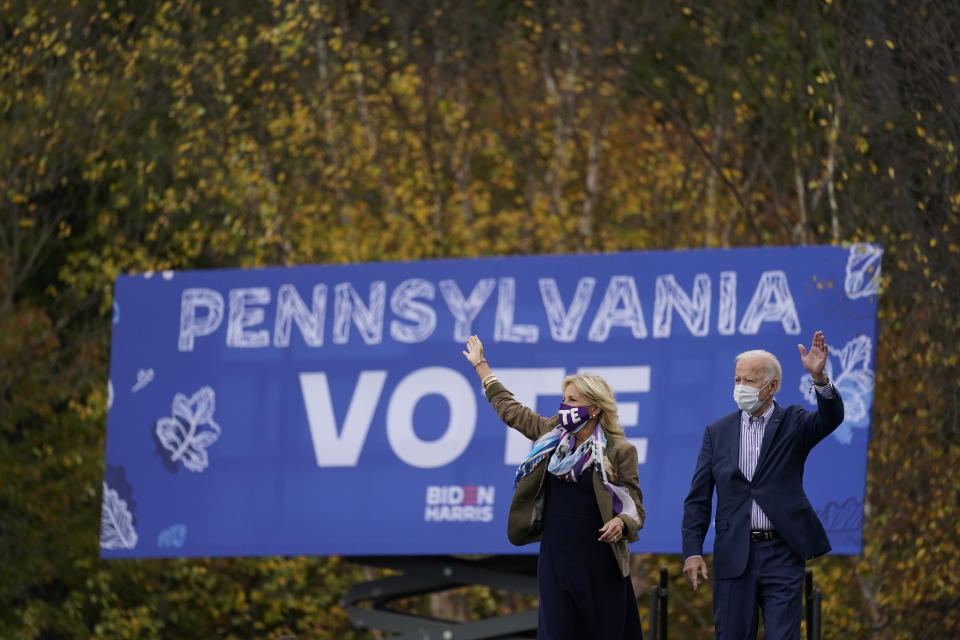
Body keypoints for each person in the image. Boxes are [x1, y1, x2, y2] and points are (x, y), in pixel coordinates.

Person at [462, 335, 645, 640]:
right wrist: (481, 366)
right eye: (565, 399)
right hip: (556, 560)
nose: (565, 406)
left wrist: (621, 522)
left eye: (573, 400)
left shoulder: (619, 450)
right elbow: (511, 411)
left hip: (599, 563)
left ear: (596, 408)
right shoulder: (552, 434)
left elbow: (635, 505)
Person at [681, 331, 844, 639]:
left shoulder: (794, 422)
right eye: (737, 380)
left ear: (773, 386)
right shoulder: (717, 432)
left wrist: (820, 379)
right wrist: (692, 550)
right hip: (733, 552)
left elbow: (831, 418)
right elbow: (698, 499)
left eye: (750, 381)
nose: (741, 387)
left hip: (781, 551)